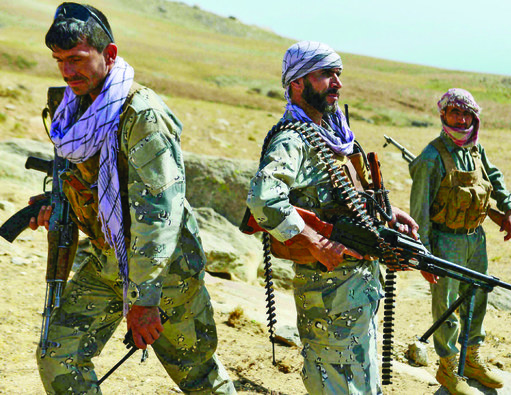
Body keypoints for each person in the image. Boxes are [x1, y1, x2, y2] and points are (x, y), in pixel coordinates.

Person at [30, 3, 236, 393]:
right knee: (58, 355)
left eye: (76, 59)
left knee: (197, 375)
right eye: (59, 61)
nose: (67, 71)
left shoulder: (141, 114)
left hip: (163, 271)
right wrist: (59, 206)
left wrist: (144, 298)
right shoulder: (72, 110)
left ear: (109, 54)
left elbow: (160, 214)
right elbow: (86, 181)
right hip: (108, 260)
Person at [246, 41, 424, 394]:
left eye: (338, 74)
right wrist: (316, 243)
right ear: (297, 83)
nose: (337, 83)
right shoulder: (293, 140)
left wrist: (387, 214)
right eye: (326, 74)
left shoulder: (336, 137)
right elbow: (263, 199)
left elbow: (345, 200)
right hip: (328, 295)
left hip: (358, 289)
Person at [409, 88, 511, 394]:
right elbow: (419, 213)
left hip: (475, 240)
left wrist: (508, 208)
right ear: (442, 115)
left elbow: (493, 177)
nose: (460, 119)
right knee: (445, 306)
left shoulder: (474, 149)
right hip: (444, 242)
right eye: (454, 113)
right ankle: (447, 368)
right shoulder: (431, 157)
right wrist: (423, 255)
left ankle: (471, 359)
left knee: (477, 298)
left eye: (466, 113)